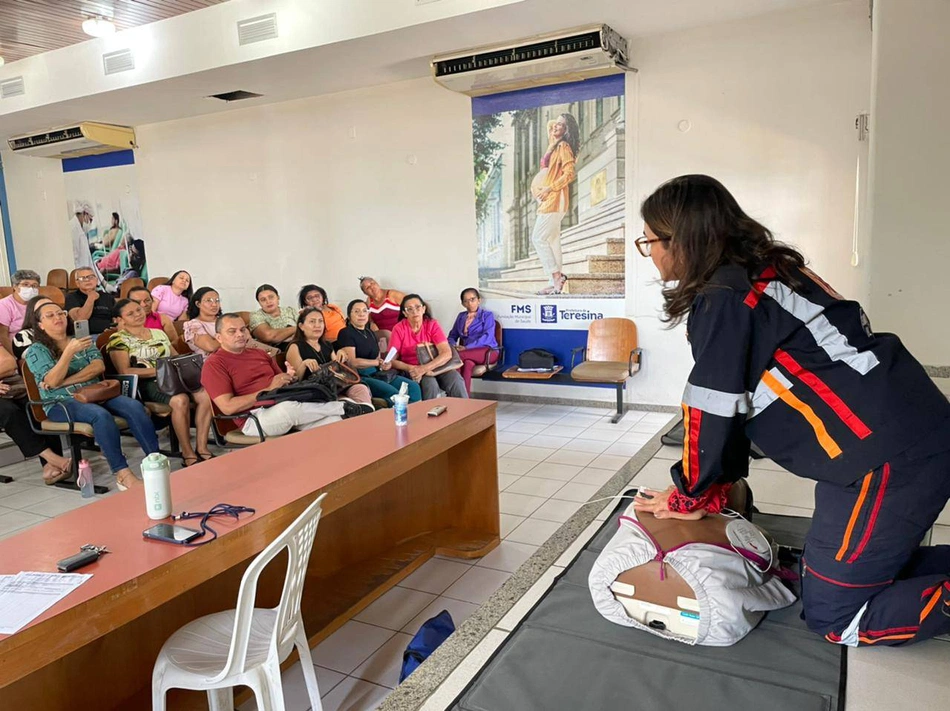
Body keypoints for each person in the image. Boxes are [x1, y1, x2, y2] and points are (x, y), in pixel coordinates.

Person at [630, 174, 950, 647]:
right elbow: (738, 399)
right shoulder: (765, 270)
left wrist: (690, 494)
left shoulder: (725, 298)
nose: (650, 252)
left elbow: (714, 408)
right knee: (835, 571)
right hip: (902, 436)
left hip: (885, 462)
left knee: (837, 617)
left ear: (682, 240)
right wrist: (708, 489)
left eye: (650, 241)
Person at [25, 302, 160, 491]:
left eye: (60, 313)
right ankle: (122, 474)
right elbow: (53, 380)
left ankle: (155, 462)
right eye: (50, 316)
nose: (58, 318)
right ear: (40, 324)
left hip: (95, 392)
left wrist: (64, 381)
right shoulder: (36, 351)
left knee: (134, 406)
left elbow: (98, 367)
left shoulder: (82, 340)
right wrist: (68, 353)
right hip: (60, 403)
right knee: (100, 415)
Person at [200, 313, 366, 439]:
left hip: (284, 402)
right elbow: (228, 407)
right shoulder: (214, 364)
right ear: (219, 337)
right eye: (232, 331)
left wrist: (289, 377)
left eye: (243, 329)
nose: (240, 334)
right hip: (254, 417)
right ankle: (344, 406)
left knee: (335, 421)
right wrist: (268, 389)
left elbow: (282, 384)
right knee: (288, 410)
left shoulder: (259, 353)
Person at [107, 299, 214, 467]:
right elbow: (125, 371)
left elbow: (175, 357)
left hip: (172, 378)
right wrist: (160, 370)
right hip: (147, 382)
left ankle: (202, 447)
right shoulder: (118, 339)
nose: (137, 314)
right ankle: (187, 452)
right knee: (180, 400)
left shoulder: (158, 333)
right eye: (130, 313)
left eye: (138, 309)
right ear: (119, 319)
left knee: (205, 395)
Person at [0, 344, 72, 485]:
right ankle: (52, 458)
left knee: (36, 404)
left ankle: (49, 466)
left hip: (9, 386)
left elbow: (9, 363)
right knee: (9, 412)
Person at [285, 308, 374, 411]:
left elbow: (337, 369)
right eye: (312, 321)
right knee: (344, 403)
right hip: (315, 391)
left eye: (320, 321)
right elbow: (295, 380)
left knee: (360, 389)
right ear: (301, 326)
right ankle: (358, 412)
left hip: (337, 386)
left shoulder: (326, 345)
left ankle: (365, 413)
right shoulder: (295, 347)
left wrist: (341, 355)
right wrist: (304, 364)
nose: (317, 325)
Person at [335, 299, 421, 403]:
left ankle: (413, 414)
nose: (361, 314)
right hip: (360, 376)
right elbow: (352, 362)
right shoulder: (346, 333)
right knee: (394, 394)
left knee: (413, 387)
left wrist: (384, 365)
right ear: (349, 315)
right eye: (356, 311)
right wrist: (376, 362)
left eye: (364, 311)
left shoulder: (370, 333)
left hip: (378, 373)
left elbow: (378, 358)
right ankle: (394, 417)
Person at [531, 113, 579, 295]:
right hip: (549, 199)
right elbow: (549, 125)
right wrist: (556, 125)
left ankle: (556, 275)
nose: (555, 126)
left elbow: (569, 174)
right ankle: (554, 282)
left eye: (561, 125)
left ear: (567, 130)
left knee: (538, 238)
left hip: (555, 199)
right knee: (552, 240)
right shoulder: (553, 144)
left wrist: (549, 189)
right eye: (556, 124)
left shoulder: (564, 147)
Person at [389, 294, 468, 401]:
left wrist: (425, 368)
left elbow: (446, 353)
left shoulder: (432, 324)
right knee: (430, 384)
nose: (414, 311)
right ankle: (430, 415)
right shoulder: (399, 329)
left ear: (423, 309)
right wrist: (413, 369)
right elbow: (391, 360)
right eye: (409, 309)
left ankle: (465, 414)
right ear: (404, 313)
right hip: (413, 369)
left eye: (418, 307)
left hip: (437, 366)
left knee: (456, 379)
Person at [183, 287, 277, 361]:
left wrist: (234, 336)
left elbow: (247, 338)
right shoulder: (193, 325)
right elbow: (210, 346)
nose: (214, 304)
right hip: (215, 363)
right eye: (209, 300)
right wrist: (236, 338)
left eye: (217, 300)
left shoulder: (225, 320)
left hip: (241, 356)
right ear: (198, 304)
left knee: (271, 357)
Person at [448, 288, 499, 395]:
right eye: (466, 301)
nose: (470, 303)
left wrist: (466, 348)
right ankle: (464, 399)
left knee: (456, 357)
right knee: (466, 365)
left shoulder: (487, 315)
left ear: (479, 300)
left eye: (472, 299)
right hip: (468, 354)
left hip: (488, 351)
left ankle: (452, 394)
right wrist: (452, 346)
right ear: (462, 303)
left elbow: (487, 337)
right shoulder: (461, 316)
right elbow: (452, 335)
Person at [65, 266, 116, 337]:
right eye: (82, 278)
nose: (87, 280)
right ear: (77, 283)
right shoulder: (71, 297)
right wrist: (91, 297)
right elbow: (80, 319)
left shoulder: (108, 297)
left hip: (108, 335)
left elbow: (116, 319)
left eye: (91, 277)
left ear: (97, 280)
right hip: (85, 338)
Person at [0, 269, 41, 353]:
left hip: (37, 342)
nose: (30, 288)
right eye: (25, 284)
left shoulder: (38, 303)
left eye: (34, 285)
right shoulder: (4, 305)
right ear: (15, 286)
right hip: (16, 346)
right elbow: (2, 335)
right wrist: (15, 356)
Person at [12, 294, 58, 360]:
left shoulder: (64, 330)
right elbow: (39, 362)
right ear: (32, 313)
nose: (49, 309)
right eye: (42, 307)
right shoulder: (23, 336)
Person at [69, 201, 96, 271]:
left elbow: (89, 260)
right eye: (90, 219)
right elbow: (75, 260)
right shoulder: (73, 229)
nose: (90, 223)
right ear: (84, 213)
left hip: (85, 274)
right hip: (80, 276)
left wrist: (102, 280)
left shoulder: (81, 230)